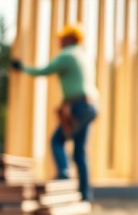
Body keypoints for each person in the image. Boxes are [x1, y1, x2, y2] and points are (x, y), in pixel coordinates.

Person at [10, 25, 98, 201]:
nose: (59, 41)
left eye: (62, 38)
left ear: (70, 39)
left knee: (57, 141)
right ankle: (85, 195)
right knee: (80, 152)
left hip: (78, 106)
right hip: (91, 105)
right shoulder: (83, 55)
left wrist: (22, 68)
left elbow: (44, 71)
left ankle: (64, 175)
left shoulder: (67, 55)